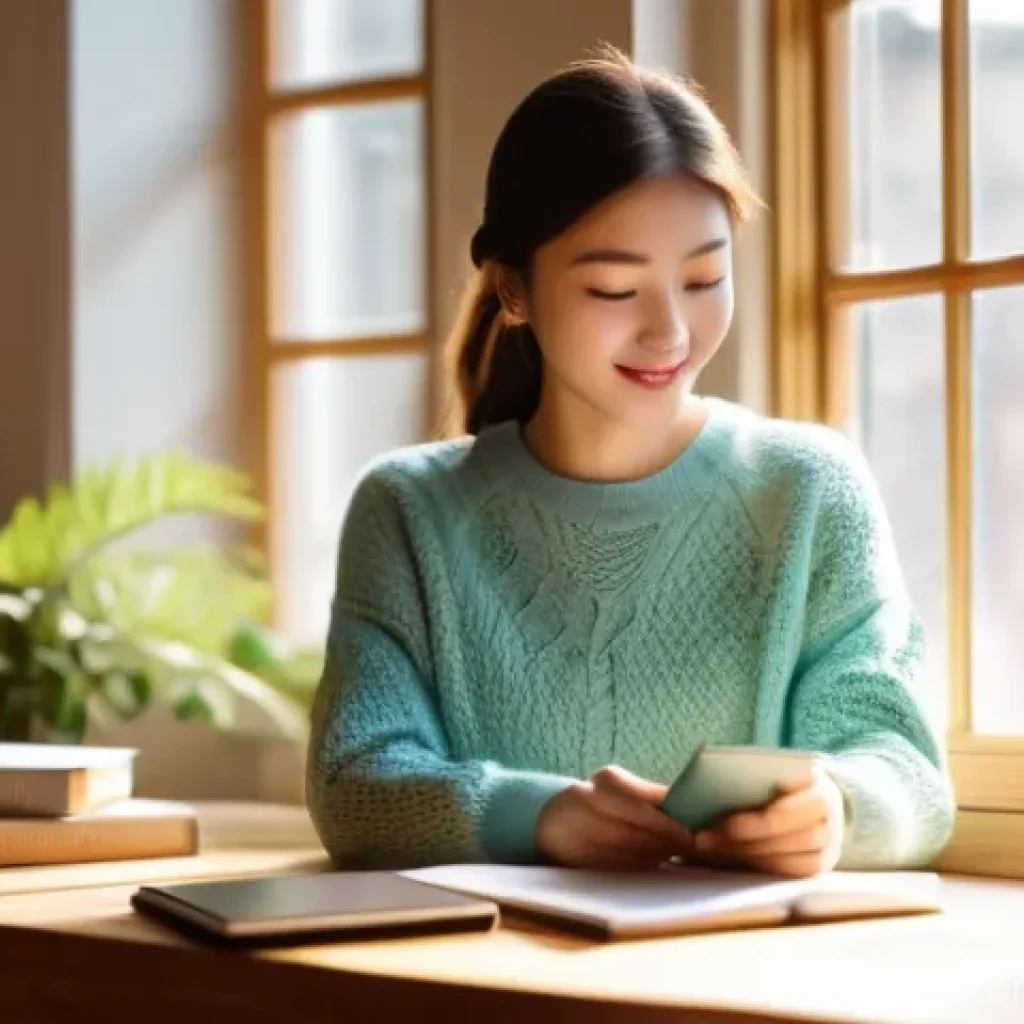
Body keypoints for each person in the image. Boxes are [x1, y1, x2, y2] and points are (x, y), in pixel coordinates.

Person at [306, 46, 955, 878]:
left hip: (750, 981)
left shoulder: (809, 490)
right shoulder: (408, 510)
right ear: (513, 290)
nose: (670, 333)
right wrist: (540, 817)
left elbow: (906, 768)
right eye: (614, 290)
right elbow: (355, 785)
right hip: (484, 981)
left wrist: (840, 811)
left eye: (704, 278)